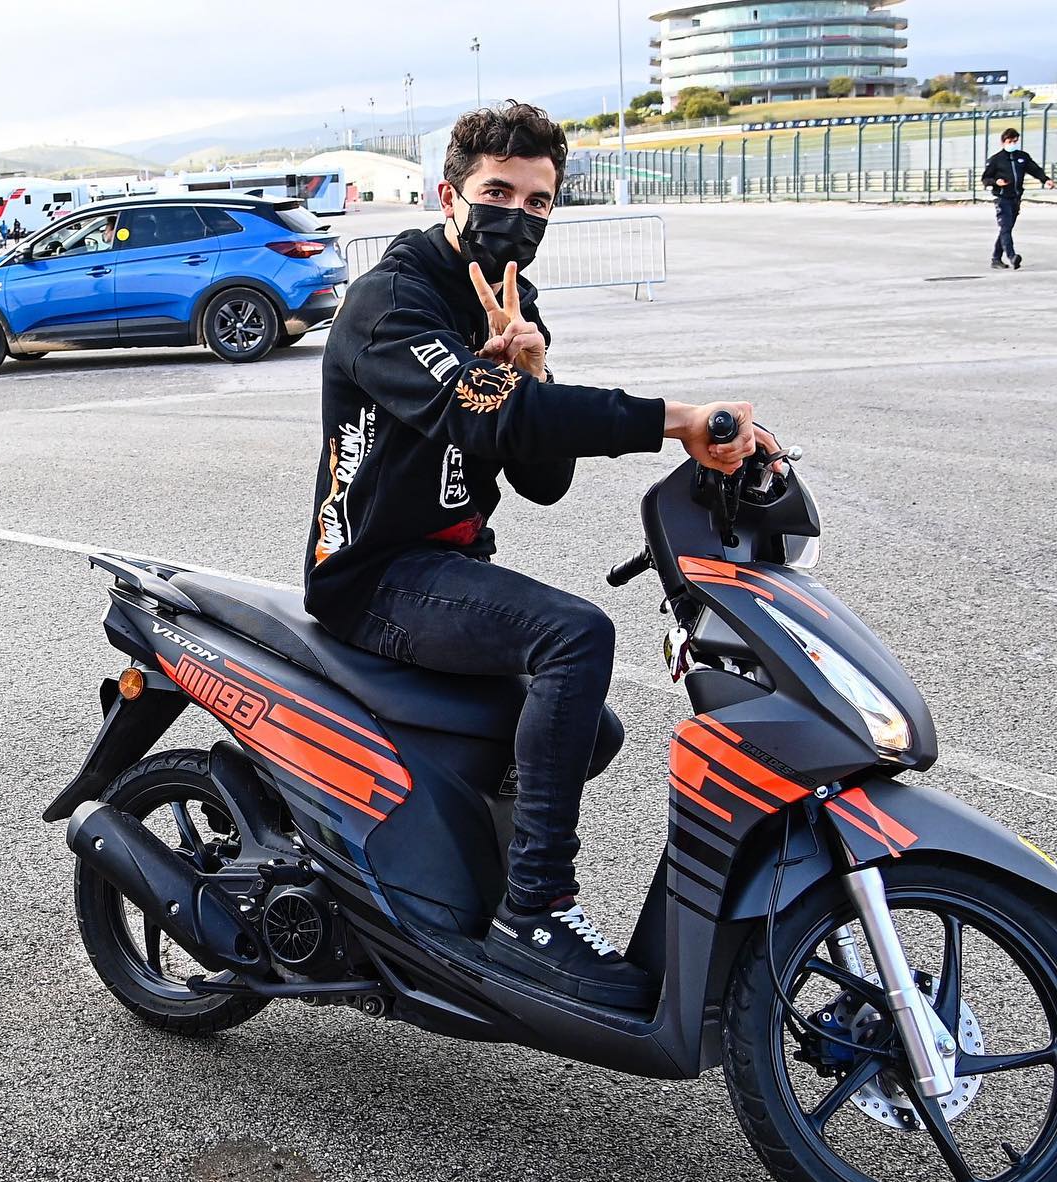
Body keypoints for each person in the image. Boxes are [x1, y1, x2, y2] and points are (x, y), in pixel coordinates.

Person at [303, 100, 773, 1010]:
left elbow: (542, 479)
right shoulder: (391, 301)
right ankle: (536, 911)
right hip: (373, 576)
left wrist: (531, 368)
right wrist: (672, 418)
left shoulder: (512, 296)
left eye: (539, 201)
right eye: (497, 193)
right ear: (450, 196)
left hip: (450, 568)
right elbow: (488, 418)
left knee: (591, 731)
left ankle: (442, 876)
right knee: (575, 638)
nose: (517, 215)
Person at [981, 127, 1055, 269]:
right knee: (1006, 227)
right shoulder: (996, 160)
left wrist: (1045, 180)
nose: (1012, 144)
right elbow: (985, 179)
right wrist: (996, 182)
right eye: (1010, 141)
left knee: (1006, 229)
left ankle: (996, 259)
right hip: (1002, 198)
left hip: (1015, 198)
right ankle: (1012, 256)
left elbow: (1035, 169)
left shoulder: (1022, 157)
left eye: (1015, 141)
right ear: (1003, 142)